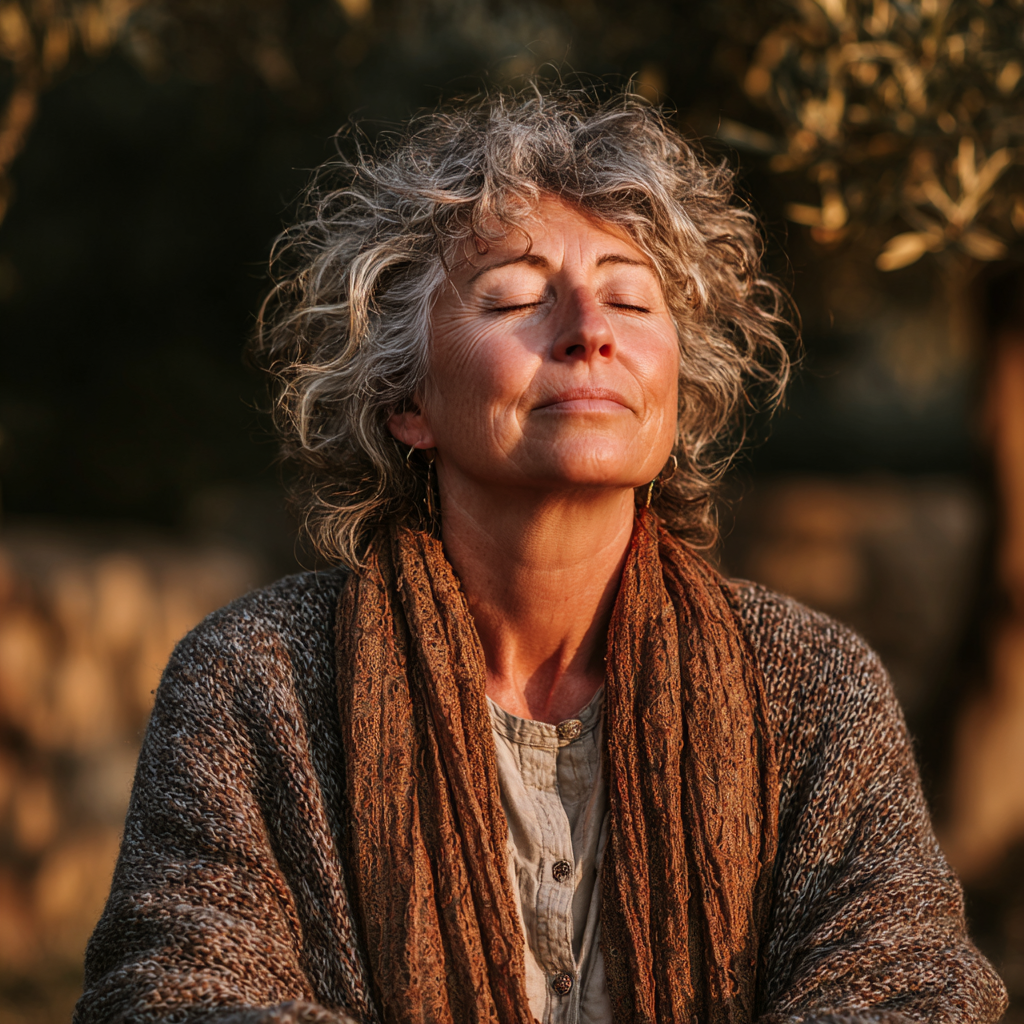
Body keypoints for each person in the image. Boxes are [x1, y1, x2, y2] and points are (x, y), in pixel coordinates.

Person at [75, 87, 1006, 1024]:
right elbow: (170, 989)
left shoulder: (812, 686)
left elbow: (911, 988)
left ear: (675, 387)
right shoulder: (256, 681)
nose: (588, 329)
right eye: (517, 297)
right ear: (408, 400)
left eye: (630, 297)